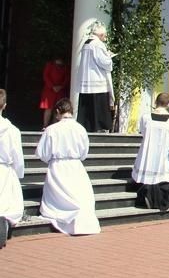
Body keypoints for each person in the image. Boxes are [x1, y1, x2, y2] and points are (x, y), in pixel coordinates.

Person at [36, 98, 100, 235]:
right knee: (80, 195)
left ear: (58, 111)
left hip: (58, 166)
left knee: (59, 199)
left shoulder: (51, 129)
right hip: (76, 166)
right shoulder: (80, 129)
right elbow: (84, 152)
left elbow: (43, 153)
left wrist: (51, 159)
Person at [131, 93, 169, 213]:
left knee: (147, 176)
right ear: (168, 105)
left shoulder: (146, 117)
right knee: (162, 178)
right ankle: (155, 198)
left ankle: (146, 195)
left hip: (148, 152)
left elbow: (142, 131)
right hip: (164, 155)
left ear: (155, 102)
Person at [76, 22, 114, 132]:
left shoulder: (86, 43)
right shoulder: (98, 44)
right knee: (98, 106)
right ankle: (99, 126)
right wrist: (109, 57)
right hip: (97, 80)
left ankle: (86, 125)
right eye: (105, 36)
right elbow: (104, 62)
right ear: (101, 35)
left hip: (86, 80)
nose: (105, 38)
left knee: (87, 106)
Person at [0, 90, 24, 249]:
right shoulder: (12, 130)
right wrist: (18, 172)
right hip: (4, 170)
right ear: (5, 106)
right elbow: (17, 155)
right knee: (5, 203)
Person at [39, 57, 69, 128]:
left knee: (58, 109)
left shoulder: (65, 67)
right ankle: (45, 126)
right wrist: (52, 86)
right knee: (48, 108)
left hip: (60, 90)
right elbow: (46, 76)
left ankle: (54, 126)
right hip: (49, 90)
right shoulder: (50, 65)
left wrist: (61, 86)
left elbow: (67, 77)